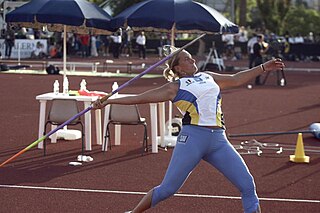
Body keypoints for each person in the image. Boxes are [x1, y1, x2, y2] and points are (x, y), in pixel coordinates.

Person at [93, 47, 285, 213]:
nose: (193, 59)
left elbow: (235, 79)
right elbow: (141, 97)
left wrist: (263, 68)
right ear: (178, 68)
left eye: (191, 56)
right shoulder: (175, 87)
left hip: (218, 140)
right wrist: (108, 100)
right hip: (193, 139)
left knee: (247, 184)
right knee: (167, 189)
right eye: (187, 58)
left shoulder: (208, 76)